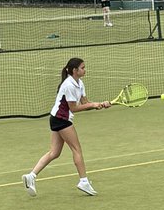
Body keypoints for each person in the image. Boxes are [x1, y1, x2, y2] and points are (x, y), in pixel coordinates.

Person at [21, 58, 109, 197]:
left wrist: (101, 104)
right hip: (61, 120)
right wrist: (92, 105)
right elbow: (73, 108)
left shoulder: (80, 83)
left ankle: (31, 176)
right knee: (77, 149)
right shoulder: (68, 85)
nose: (85, 70)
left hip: (57, 118)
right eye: (82, 68)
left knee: (54, 153)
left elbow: (85, 103)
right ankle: (83, 181)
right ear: (75, 70)